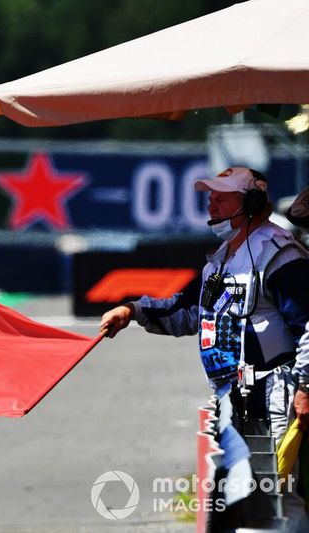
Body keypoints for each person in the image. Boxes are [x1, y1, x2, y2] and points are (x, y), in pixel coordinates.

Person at [100, 167, 309, 529]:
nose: (211, 204)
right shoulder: (223, 257)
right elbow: (190, 310)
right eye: (209, 197)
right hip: (235, 398)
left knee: (274, 496)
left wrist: (306, 387)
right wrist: (131, 311)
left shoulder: (281, 255)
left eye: (222, 197)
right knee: (256, 495)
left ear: (253, 203)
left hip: (275, 395)